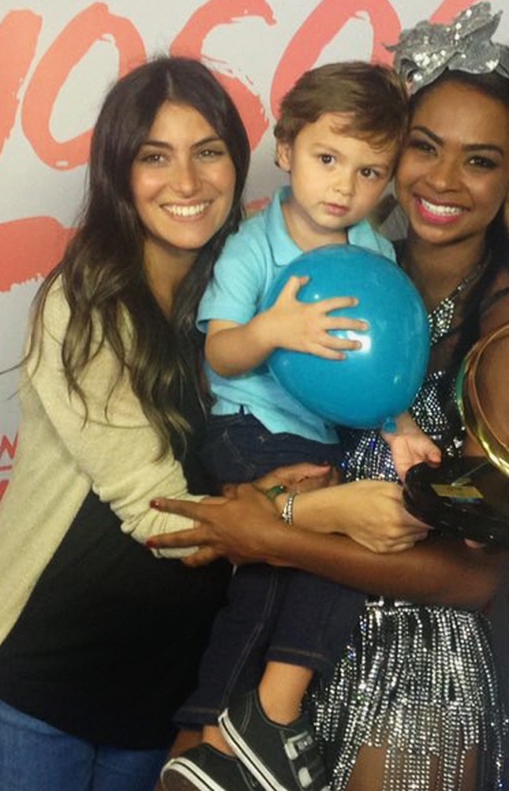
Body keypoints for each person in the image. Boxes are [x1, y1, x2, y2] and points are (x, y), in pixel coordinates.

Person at [148, 2, 509, 791]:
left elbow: (477, 574)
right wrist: (275, 516)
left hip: (412, 678)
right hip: (293, 637)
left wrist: (280, 527)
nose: (441, 179)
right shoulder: (357, 259)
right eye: (424, 150)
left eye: (479, 162)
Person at [0, 57, 254, 791]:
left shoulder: (246, 297)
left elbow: (345, 200)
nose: (186, 183)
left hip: (162, 700)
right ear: (120, 173)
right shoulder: (83, 304)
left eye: (207, 151)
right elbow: (159, 515)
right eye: (156, 156)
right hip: (40, 692)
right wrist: (315, 515)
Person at [161, 61, 439, 791]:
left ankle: (244, 728)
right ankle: (241, 718)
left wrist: (403, 426)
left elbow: (380, 366)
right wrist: (272, 328)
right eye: (327, 158)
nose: (345, 187)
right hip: (251, 429)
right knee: (286, 569)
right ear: (285, 149)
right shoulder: (257, 241)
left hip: (322, 441)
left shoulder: (373, 254)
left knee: (317, 567)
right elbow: (219, 348)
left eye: (370, 171)